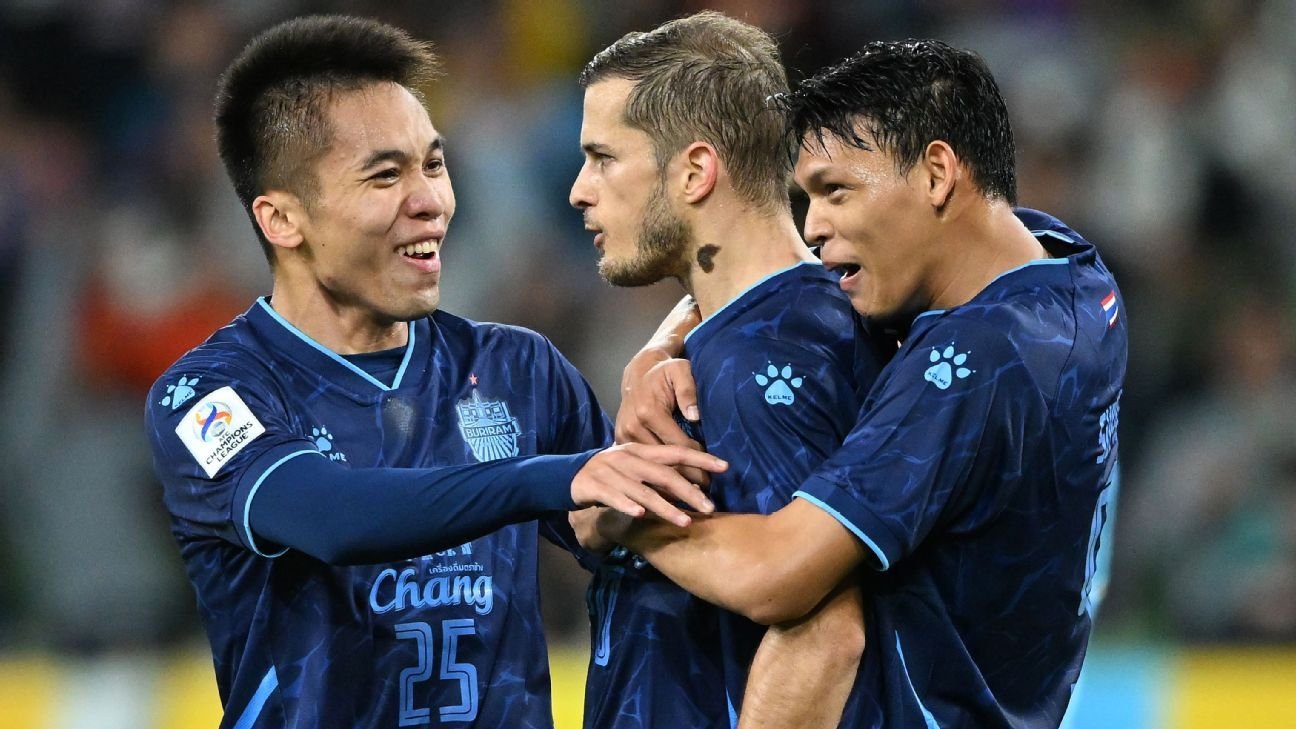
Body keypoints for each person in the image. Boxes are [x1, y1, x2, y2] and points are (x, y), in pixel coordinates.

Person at [143, 15, 723, 729]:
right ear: (283, 220)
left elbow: (620, 530)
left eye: (435, 165)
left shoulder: (517, 368)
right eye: (386, 175)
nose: (431, 202)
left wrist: (668, 367)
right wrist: (556, 475)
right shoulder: (210, 393)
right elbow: (329, 516)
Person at [601, 39, 1128, 728]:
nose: (813, 226)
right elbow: (781, 275)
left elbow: (779, 576)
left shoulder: (969, 369)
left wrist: (622, 512)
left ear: (937, 173)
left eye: (836, 191)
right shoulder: (1072, 272)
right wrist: (661, 345)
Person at [568, 12, 894, 728]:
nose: (579, 191)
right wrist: (662, 347)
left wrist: (623, 518)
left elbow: (823, 636)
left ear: (695, 171)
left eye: (603, 158)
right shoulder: (758, 327)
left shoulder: (769, 362)